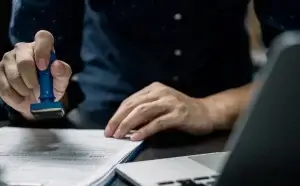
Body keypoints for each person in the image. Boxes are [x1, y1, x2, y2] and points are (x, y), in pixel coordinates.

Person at [0, 0, 296, 141]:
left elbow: (293, 65)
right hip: (106, 129)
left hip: (231, 124)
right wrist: (32, 97)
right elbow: (43, 80)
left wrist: (211, 110)